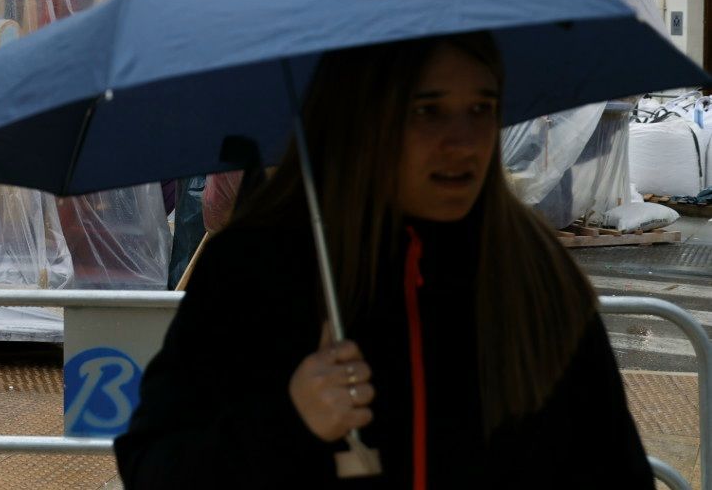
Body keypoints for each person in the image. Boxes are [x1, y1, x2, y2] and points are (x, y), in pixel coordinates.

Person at [114, 33, 653, 487]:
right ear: (363, 117)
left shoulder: (534, 271)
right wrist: (288, 424)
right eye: (427, 110)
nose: (463, 142)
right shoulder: (256, 269)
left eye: (481, 109)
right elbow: (152, 465)